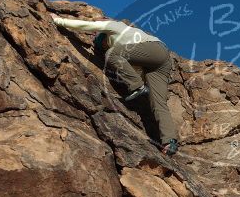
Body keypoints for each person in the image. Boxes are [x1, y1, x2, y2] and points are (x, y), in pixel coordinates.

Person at [52, 15, 179, 155]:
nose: (104, 46)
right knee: (158, 102)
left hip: (155, 49)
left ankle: (137, 87)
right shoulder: (129, 42)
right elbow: (133, 67)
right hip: (161, 61)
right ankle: (169, 142)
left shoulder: (113, 26)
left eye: (103, 43)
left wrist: (58, 20)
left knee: (112, 54)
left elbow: (85, 25)